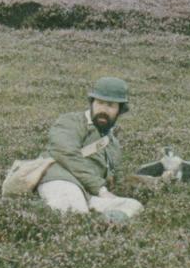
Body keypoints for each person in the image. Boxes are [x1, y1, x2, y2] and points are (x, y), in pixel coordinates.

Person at [36, 76, 143, 220]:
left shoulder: (113, 144)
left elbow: (117, 181)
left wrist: (156, 180)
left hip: (89, 193)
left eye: (110, 105)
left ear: (119, 110)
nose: (103, 109)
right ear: (92, 103)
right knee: (74, 214)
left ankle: (103, 227)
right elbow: (66, 154)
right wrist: (100, 189)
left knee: (133, 206)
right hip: (61, 180)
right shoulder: (70, 122)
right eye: (99, 103)